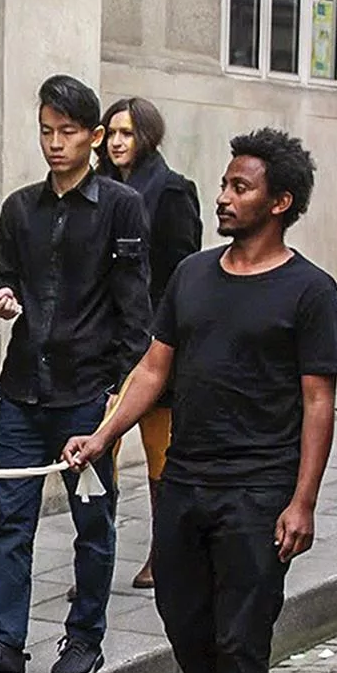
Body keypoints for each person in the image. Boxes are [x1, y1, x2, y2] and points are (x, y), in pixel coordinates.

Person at [62, 128, 337, 673]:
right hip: (185, 479)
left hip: (260, 488)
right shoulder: (191, 275)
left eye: (239, 187)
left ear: (279, 203)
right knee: (184, 621)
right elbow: (154, 368)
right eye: (224, 184)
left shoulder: (310, 290)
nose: (223, 196)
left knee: (240, 638)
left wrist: (303, 501)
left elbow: (318, 401)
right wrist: (104, 434)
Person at [0, 75, 151, 673]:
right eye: (46, 131)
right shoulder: (20, 208)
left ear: (94, 136)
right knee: (11, 522)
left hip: (87, 394)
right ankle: (2, 646)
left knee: (93, 520)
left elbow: (135, 311)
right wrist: (5, 297)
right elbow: (0, 275)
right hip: (22, 392)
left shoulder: (121, 207)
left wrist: (116, 395)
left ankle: (84, 638)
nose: (55, 143)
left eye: (67, 132)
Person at [99, 96, 202, 587]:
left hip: (155, 341)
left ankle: (165, 555)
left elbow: (182, 272)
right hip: (104, 342)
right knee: (100, 449)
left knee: (161, 454)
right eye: (111, 133)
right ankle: (96, 558)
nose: (118, 142)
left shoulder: (172, 190)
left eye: (127, 133)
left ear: (147, 136)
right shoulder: (96, 189)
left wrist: (165, 339)